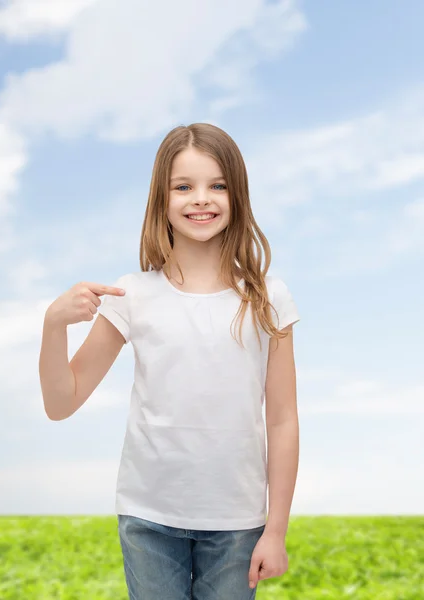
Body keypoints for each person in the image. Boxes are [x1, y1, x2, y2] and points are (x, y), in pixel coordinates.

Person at [39, 122, 301, 599]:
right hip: (149, 518)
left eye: (217, 185)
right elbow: (62, 402)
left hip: (238, 522)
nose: (201, 198)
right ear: (162, 199)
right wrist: (53, 325)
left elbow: (282, 419)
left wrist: (276, 529)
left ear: (237, 195)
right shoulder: (132, 295)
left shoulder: (267, 298)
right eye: (184, 186)